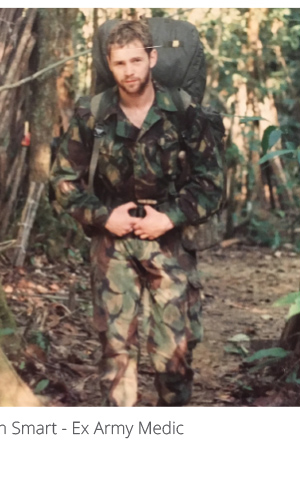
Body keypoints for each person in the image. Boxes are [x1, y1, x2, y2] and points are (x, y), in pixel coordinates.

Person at [50, 20, 223, 406]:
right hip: (111, 245)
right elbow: (63, 179)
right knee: (116, 353)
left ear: (152, 58)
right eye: (118, 63)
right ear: (108, 66)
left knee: (174, 354)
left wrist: (170, 216)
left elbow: (212, 185)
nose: (128, 71)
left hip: (170, 242)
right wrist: (102, 217)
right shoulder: (92, 114)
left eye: (135, 60)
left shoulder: (183, 111)